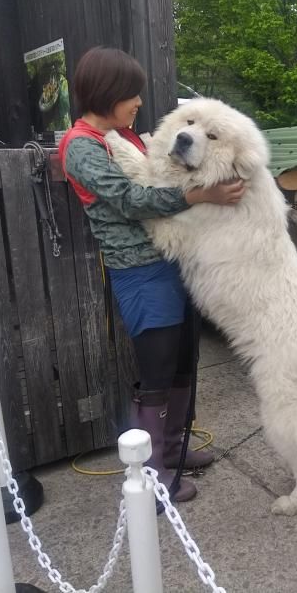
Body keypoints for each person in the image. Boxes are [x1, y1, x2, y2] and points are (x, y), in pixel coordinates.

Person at [58, 47, 245, 501]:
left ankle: (176, 448)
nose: (138, 103)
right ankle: (152, 472)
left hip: (175, 260)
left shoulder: (126, 137)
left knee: (184, 360)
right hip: (140, 271)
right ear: (105, 94)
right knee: (157, 370)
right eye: (130, 95)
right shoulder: (81, 146)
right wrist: (201, 198)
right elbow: (129, 200)